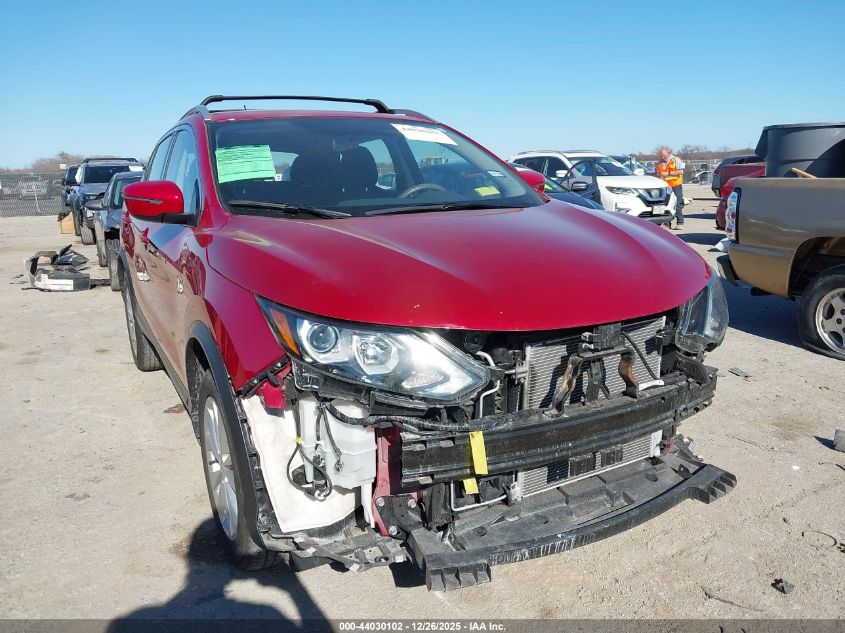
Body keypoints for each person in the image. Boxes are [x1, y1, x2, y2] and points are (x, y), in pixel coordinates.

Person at [656, 147, 685, 229]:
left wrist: (668, 173)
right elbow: (658, 174)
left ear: (668, 153)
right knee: (665, 204)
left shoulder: (676, 160)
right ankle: (666, 223)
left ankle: (680, 222)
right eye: (661, 156)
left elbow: (681, 171)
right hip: (665, 187)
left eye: (664, 155)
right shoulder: (659, 163)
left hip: (676, 185)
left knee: (678, 204)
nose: (663, 157)